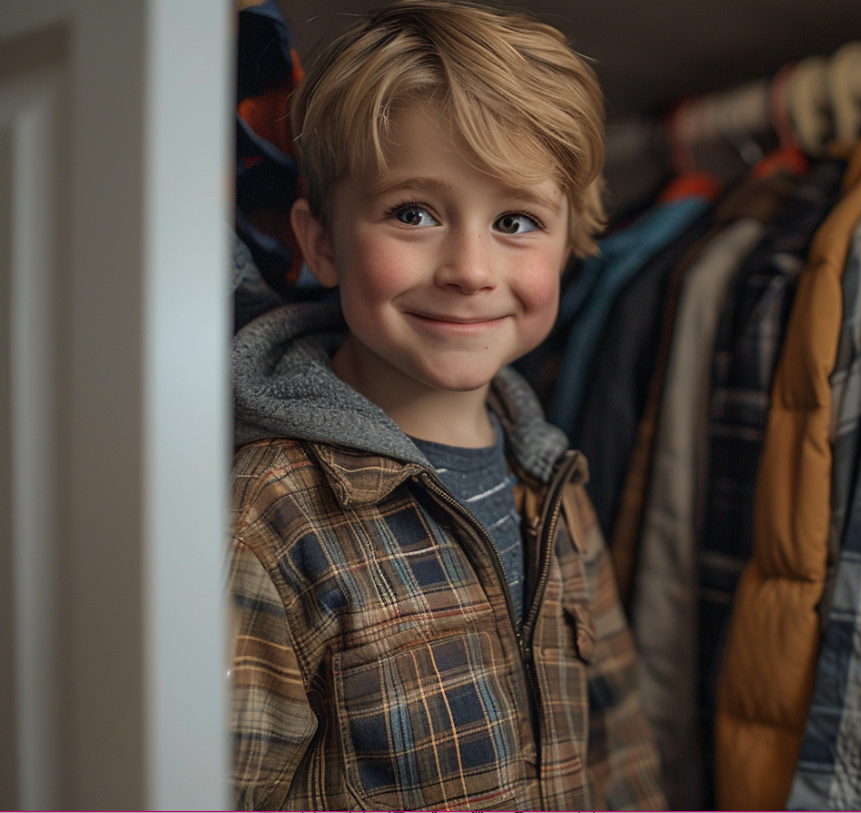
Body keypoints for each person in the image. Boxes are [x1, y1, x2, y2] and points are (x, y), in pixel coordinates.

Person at [226, 2, 665, 809]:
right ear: (320, 240)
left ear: (568, 247)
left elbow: (618, 742)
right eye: (413, 213)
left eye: (515, 221)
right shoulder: (272, 510)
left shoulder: (552, 477)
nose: (469, 267)